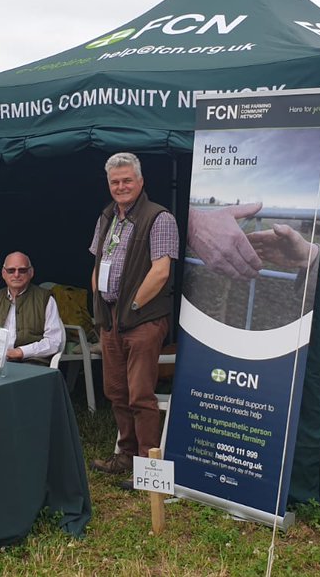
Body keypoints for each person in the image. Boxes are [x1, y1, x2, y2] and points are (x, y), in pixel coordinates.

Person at [89, 153, 179, 481]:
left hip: (142, 320)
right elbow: (98, 264)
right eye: (115, 181)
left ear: (141, 182)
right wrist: (101, 305)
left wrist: (135, 307)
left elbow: (161, 271)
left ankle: (149, 468)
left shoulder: (160, 218)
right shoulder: (106, 217)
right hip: (111, 319)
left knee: (141, 395)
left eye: (127, 180)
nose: (121, 186)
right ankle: (125, 456)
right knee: (116, 392)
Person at [0, 252, 64, 365]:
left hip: (31, 363)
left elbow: (53, 341)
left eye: (22, 270)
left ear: (31, 272)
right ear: (3, 273)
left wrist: (20, 352)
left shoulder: (45, 299)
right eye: (11, 270)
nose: (16, 275)